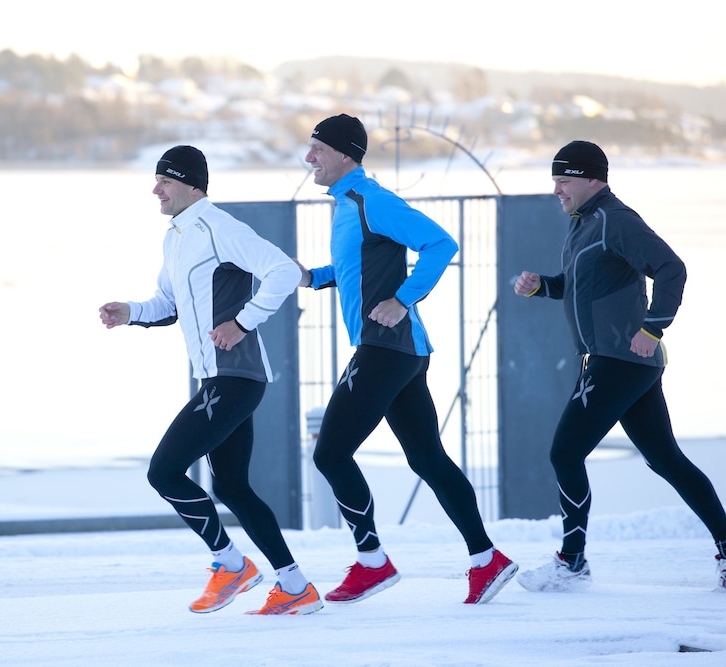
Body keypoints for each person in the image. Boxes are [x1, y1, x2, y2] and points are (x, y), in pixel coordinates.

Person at [296, 114, 518, 605]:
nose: (308, 158)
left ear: (345, 153)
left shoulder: (372, 200)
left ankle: (373, 562)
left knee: (330, 453)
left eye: (317, 149)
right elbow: (356, 266)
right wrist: (313, 276)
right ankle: (487, 559)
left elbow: (441, 243)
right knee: (427, 458)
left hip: (385, 348)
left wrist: (403, 298)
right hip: (399, 352)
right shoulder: (345, 205)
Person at [98, 145, 323, 615]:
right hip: (219, 379)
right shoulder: (176, 237)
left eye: (165, 181)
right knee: (233, 488)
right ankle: (295, 585)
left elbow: (282, 271)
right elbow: (169, 303)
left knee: (164, 471)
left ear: (192, 185)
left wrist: (243, 322)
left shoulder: (220, 228)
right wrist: (131, 313)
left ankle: (230, 564)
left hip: (235, 376)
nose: (155, 189)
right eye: (156, 180)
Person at [513, 140, 726, 592]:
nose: (557, 190)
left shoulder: (616, 221)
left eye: (564, 181)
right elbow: (579, 286)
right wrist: (542, 288)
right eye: (555, 180)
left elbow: (672, 268)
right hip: (623, 361)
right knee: (666, 459)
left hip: (620, 359)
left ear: (593, 179)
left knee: (565, 452)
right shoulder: (584, 223)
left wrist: (653, 328)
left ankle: (571, 563)